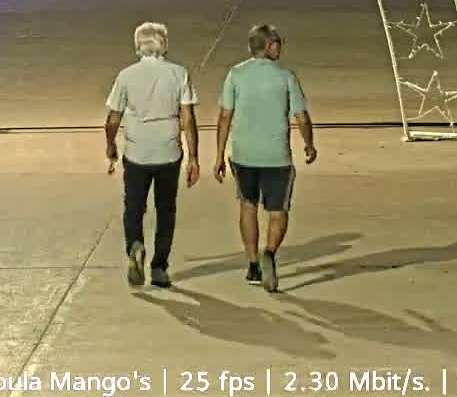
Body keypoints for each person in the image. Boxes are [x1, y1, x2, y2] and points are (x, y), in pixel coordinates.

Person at [215, 24, 315, 293]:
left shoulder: (235, 74)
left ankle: (252, 264)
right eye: (278, 42)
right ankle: (269, 252)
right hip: (276, 158)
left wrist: (219, 155)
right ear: (269, 45)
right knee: (278, 210)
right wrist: (309, 144)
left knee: (248, 206)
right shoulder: (286, 77)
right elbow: (301, 117)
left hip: (244, 155)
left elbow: (225, 116)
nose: (281, 46)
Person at [104, 22, 199, 289]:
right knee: (166, 209)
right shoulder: (178, 74)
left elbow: (112, 119)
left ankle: (135, 244)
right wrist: (193, 157)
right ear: (163, 44)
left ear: (138, 45)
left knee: (133, 206)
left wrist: (110, 145)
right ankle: (159, 267)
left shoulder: (126, 76)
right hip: (168, 150)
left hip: (137, 151)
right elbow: (188, 119)